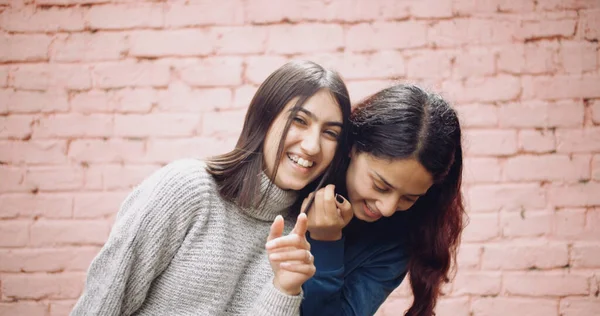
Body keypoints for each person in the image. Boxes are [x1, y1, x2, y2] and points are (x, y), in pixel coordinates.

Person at [70, 60, 352, 316]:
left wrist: (284, 289)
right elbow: (102, 302)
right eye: (299, 121)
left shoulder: (300, 234)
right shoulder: (185, 189)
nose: (313, 145)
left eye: (330, 133)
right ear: (264, 119)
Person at [279, 84, 465, 316]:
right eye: (381, 186)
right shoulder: (301, 171)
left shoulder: (395, 244)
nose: (388, 209)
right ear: (352, 147)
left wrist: (327, 243)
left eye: (409, 198)